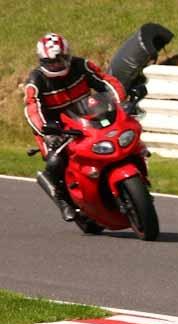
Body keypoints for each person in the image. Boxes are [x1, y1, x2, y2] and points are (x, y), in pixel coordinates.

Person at [24, 33, 126, 221]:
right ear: (42, 61)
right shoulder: (35, 80)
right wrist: (46, 132)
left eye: (60, 59)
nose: (57, 65)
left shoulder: (82, 66)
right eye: (51, 62)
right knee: (55, 161)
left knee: (117, 136)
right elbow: (32, 109)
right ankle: (62, 200)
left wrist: (121, 103)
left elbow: (107, 82)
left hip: (86, 118)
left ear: (68, 55)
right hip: (54, 128)